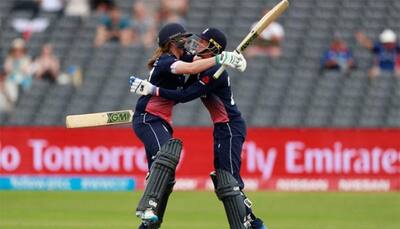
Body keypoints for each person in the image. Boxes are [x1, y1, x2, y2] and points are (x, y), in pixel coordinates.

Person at [130, 28, 266, 229]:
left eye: (203, 42)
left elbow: (185, 94)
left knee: (229, 181)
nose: (195, 44)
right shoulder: (194, 64)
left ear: (213, 47)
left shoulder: (214, 73)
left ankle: (254, 224)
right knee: (222, 181)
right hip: (219, 128)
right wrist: (223, 58)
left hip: (230, 127)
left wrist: (152, 90)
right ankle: (254, 224)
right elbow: (186, 85)